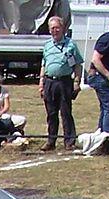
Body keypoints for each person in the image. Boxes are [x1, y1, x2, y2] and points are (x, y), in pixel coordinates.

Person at [39, 15, 82, 151]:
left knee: (66, 112)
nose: (55, 30)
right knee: (51, 113)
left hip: (64, 82)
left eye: (57, 28)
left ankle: (69, 141)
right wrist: (41, 83)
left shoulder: (71, 45)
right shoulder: (47, 45)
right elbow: (44, 65)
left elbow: (78, 65)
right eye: (52, 28)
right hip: (49, 82)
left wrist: (77, 81)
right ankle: (51, 141)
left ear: (63, 28)